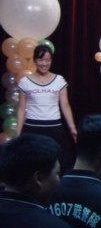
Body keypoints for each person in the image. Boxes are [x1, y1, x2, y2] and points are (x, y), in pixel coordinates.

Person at [16, 44, 77, 174]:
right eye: (40, 60)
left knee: (60, 163)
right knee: (30, 165)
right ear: (34, 60)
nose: (44, 63)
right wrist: (18, 133)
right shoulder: (25, 81)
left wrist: (72, 128)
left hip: (54, 126)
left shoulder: (59, 80)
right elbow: (21, 108)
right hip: (32, 127)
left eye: (47, 60)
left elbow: (65, 105)